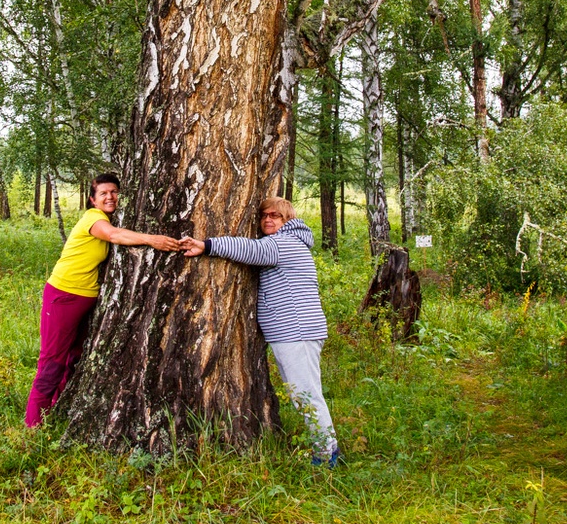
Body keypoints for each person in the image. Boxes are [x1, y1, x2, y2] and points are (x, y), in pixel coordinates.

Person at [182, 196, 340, 465]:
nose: (268, 219)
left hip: (296, 331)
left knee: (305, 394)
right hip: (293, 330)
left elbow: (251, 250)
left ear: (288, 220)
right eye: (264, 215)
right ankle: (325, 449)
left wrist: (207, 245)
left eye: (275, 216)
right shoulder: (287, 242)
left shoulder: (284, 244)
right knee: (304, 392)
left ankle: (326, 455)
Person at [25, 173, 182, 427]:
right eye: (103, 194)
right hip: (64, 295)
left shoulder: (108, 216)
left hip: (83, 299)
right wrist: (152, 240)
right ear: (93, 200)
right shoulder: (94, 218)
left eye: (114, 192)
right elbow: (114, 235)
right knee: (52, 360)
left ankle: (55, 409)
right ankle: (33, 424)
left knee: (74, 357)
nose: (110, 197)